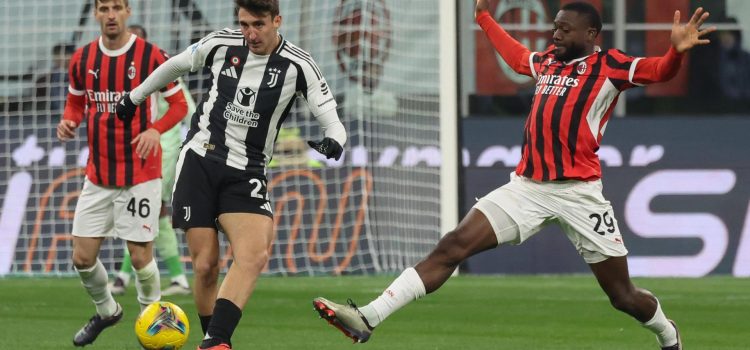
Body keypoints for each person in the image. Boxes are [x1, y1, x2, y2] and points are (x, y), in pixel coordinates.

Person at [312, 2, 715, 349]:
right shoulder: (547, 63)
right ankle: (368, 318)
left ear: (591, 33)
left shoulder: (610, 65)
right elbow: (516, 55)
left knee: (623, 297)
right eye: (554, 25)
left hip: (580, 194)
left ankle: (666, 332)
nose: (554, 33)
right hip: (526, 188)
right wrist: (485, 17)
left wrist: (676, 52)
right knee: (452, 246)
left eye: (564, 28)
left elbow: (660, 71)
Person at [115, 0, 346, 348]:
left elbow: (331, 119)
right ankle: (213, 337)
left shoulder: (299, 65)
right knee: (206, 265)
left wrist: (334, 141)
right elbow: (175, 65)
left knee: (254, 255)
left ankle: (215, 342)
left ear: (277, 21)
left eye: (258, 25)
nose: (250, 34)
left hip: (249, 169)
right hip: (201, 160)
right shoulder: (221, 43)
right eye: (244, 24)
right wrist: (134, 97)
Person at [55, 0, 188, 346]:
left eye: (117, 7)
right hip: (98, 174)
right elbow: (76, 101)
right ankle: (106, 311)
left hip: (140, 174)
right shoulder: (82, 59)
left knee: (140, 256)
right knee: (82, 257)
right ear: (97, 13)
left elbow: (179, 105)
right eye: (104, 8)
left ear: (128, 11)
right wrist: (70, 121)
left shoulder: (151, 56)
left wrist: (156, 130)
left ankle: (155, 326)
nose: (110, 14)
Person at [109, 23, 196, 297]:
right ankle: (174, 276)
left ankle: (126, 276)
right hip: (139, 151)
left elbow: (188, 109)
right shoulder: (125, 72)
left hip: (164, 150)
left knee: (145, 210)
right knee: (146, 211)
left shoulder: (161, 67)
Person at [35, 43, 75, 112]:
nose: (61, 59)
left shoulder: (80, 75)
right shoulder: (46, 79)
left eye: (65, 55)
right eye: (57, 55)